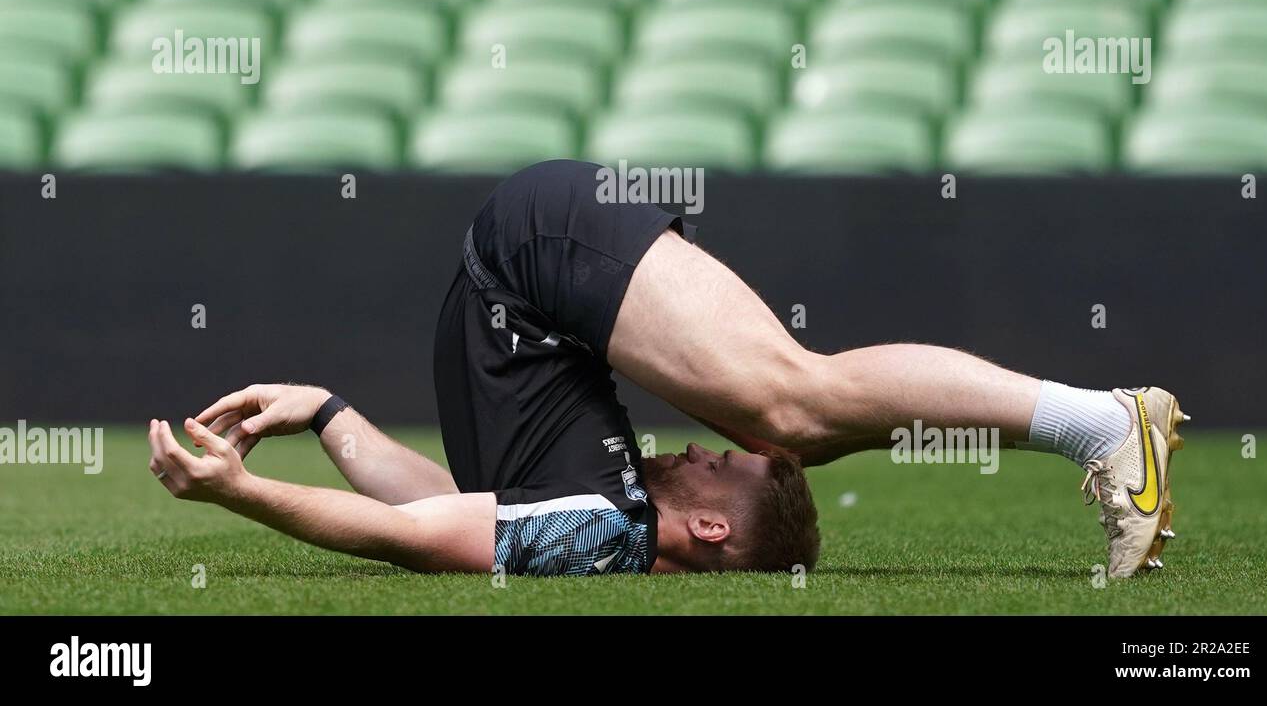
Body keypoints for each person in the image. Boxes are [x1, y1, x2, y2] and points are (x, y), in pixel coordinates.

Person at [153, 159, 1186, 578]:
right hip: (537, 252)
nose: (702, 443)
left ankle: (1105, 423)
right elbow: (437, 529)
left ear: (707, 527)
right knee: (795, 405)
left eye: (721, 466)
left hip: (532, 254)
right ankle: (1100, 423)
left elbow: (430, 515)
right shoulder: (602, 520)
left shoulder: (592, 528)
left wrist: (318, 423)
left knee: (793, 406)